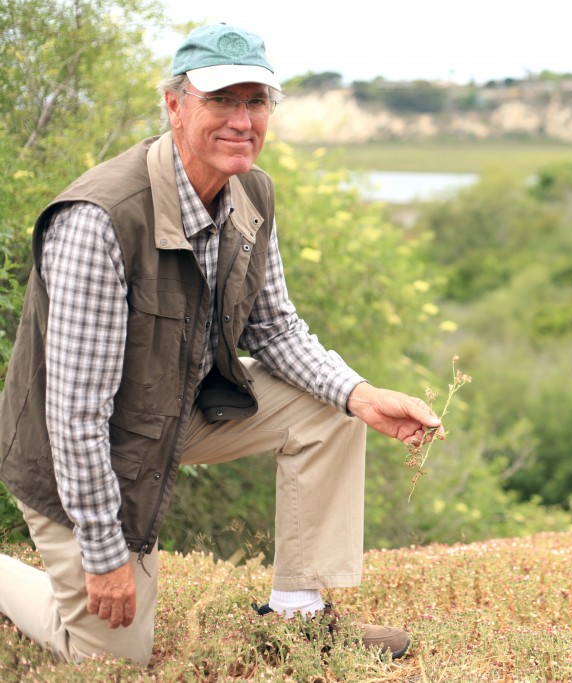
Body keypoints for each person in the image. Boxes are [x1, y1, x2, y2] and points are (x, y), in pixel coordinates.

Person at [0, 23, 439, 665]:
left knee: (331, 408)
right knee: (114, 660)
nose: (242, 120)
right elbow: (75, 418)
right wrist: (104, 555)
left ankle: (298, 618)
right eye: (221, 100)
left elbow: (275, 328)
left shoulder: (251, 194)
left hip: (172, 413)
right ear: (174, 105)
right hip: (76, 454)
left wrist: (361, 394)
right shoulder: (99, 221)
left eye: (255, 102)